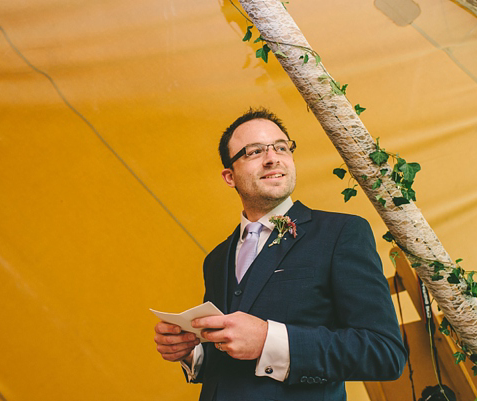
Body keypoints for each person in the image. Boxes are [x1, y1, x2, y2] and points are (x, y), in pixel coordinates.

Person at [154, 107, 407, 401]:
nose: (272, 157)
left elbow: (384, 353)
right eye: (254, 151)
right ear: (229, 176)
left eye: (282, 147)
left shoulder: (342, 233)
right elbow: (227, 359)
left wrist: (267, 340)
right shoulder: (216, 259)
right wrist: (191, 352)